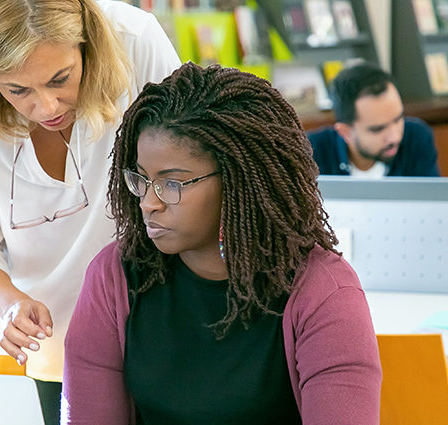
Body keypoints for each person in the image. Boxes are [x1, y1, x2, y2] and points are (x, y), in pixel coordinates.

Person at [62, 62, 382, 424]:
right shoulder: (114, 276)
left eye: (171, 183)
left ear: (238, 181)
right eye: (141, 178)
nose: (148, 202)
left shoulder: (322, 292)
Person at [0, 0, 180, 422]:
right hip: (35, 348)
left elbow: (187, 163)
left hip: (151, 321)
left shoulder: (134, 42)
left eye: (60, 79)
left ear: (87, 48)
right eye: (18, 91)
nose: (47, 108)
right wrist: (9, 305)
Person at [307, 62, 440, 177]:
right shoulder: (311, 152)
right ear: (345, 132)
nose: (394, 137)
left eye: (398, 119)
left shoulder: (416, 138)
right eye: (378, 129)